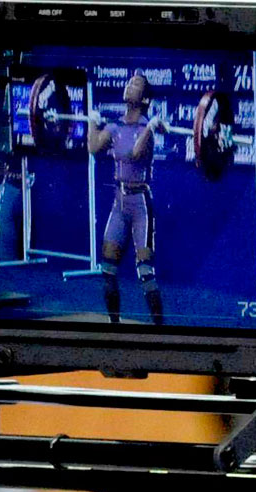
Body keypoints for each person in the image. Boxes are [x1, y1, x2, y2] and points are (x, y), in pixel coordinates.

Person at [88, 69, 167, 325]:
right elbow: (93, 147)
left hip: (141, 204)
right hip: (119, 203)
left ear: (144, 98)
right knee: (108, 269)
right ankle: (115, 327)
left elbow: (135, 154)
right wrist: (92, 123)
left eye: (135, 84)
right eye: (129, 82)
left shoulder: (147, 129)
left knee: (145, 273)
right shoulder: (114, 126)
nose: (128, 86)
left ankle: (161, 332)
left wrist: (150, 127)